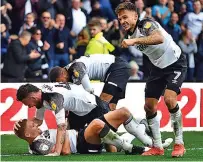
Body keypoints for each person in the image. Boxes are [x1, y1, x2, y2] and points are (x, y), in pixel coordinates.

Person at [115, 2, 187, 157]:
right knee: (149, 107)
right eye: (120, 19)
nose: (122, 21)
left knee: (169, 99)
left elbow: (159, 38)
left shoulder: (146, 24)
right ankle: (157, 147)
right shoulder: (129, 33)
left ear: (135, 16)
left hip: (175, 64)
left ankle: (179, 143)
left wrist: (134, 41)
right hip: (157, 68)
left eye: (125, 17)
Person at [14, 107, 173, 156]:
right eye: (32, 126)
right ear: (28, 134)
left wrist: (64, 129)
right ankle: (137, 149)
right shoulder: (37, 145)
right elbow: (65, 151)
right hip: (82, 144)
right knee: (97, 123)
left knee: (123, 112)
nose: (36, 124)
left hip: (82, 134)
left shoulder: (39, 136)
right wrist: (62, 129)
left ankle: (154, 144)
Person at [49, 54, 131, 111]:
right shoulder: (69, 74)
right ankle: (111, 130)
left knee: (102, 103)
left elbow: (89, 91)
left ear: (62, 73)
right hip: (117, 68)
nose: (61, 84)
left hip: (117, 67)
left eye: (60, 81)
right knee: (110, 106)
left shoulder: (76, 67)